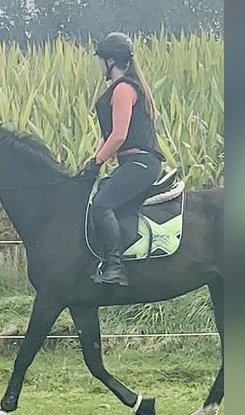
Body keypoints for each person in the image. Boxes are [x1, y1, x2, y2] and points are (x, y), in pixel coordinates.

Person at [80, 32, 165, 286]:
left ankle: (115, 268)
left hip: (140, 163)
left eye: (100, 60)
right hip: (131, 163)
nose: (98, 65)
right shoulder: (122, 88)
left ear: (109, 61)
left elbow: (119, 135)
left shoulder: (123, 90)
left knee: (101, 206)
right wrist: (93, 161)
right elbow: (108, 136)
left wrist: (98, 162)